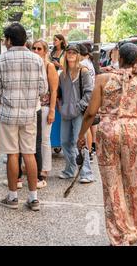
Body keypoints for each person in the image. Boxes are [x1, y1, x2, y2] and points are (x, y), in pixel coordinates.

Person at [77, 43, 137, 246]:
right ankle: (132, 229)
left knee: (112, 184)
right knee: (131, 182)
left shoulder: (103, 79)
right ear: (136, 59)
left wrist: (81, 135)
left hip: (108, 130)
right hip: (132, 129)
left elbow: (91, 112)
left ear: (119, 57)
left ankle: (118, 234)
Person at [0, 23, 48, 211]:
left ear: (8, 40)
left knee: (12, 154)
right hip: (30, 114)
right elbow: (43, 89)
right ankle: (33, 199)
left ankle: (13, 197)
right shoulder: (37, 59)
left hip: (8, 114)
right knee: (29, 153)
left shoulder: (0, 60)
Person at [57, 44, 95, 183]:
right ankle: (70, 170)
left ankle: (86, 173)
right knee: (65, 141)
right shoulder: (63, 74)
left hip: (79, 113)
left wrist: (79, 107)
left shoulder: (83, 71)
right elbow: (60, 94)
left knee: (80, 142)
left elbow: (89, 92)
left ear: (78, 55)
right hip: (66, 112)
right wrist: (61, 107)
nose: (71, 54)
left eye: (74, 52)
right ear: (65, 54)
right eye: (69, 52)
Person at [31, 39, 59, 185]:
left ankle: (45, 169)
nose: (35, 51)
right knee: (33, 139)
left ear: (45, 51)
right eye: (34, 48)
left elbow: (54, 90)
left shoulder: (49, 66)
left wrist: (52, 110)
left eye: (39, 49)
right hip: (31, 107)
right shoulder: (32, 66)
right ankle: (34, 167)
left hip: (45, 106)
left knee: (44, 140)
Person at [79, 43, 98, 162]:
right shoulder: (89, 62)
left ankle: (89, 151)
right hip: (92, 95)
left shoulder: (83, 64)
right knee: (90, 124)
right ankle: (92, 149)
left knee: (86, 126)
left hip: (86, 96)